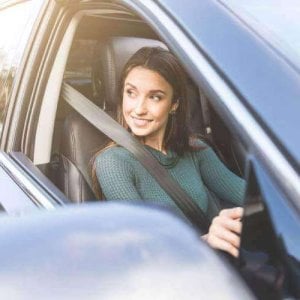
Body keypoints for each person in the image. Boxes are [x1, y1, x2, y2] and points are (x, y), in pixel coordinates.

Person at [93, 47, 245, 257]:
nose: (138, 109)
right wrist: (207, 241)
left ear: (174, 104)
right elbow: (144, 243)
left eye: (154, 97)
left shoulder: (195, 149)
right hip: (174, 275)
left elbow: (244, 194)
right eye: (131, 93)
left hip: (222, 263)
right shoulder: (113, 163)